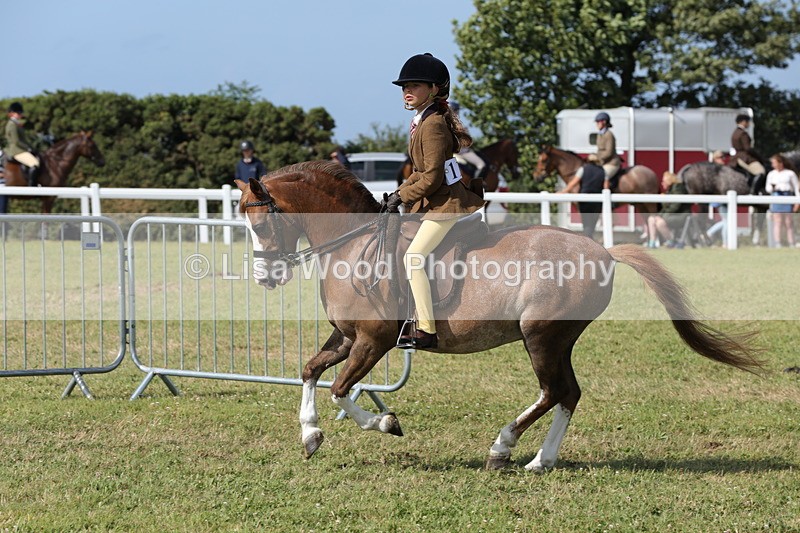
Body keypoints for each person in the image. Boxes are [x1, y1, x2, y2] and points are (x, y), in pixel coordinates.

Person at [382, 52, 484, 349]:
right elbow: (420, 172)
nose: (407, 91)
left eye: (415, 85)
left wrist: (402, 196)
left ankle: (426, 329)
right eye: (404, 86)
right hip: (434, 202)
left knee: (413, 259)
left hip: (445, 205)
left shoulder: (433, 123)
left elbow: (432, 178)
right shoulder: (422, 120)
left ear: (435, 89)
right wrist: (397, 193)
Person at [558, 157, 604, 238]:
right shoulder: (602, 171)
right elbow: (606, 186)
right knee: (592, 224)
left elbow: (573, 183)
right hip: (597, 201)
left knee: (586, 224)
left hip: (584, 200)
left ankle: (587, 241)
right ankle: (590, 239)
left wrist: (561, 192)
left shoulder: (583, 169)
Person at [645, 172, 690, 248]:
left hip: (681, 215)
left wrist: (661, 216)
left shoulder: (678, 188)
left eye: (663, 182)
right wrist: (658, 215)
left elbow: (675, 206)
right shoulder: (670, 190)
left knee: (660, 223)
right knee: (651, 219)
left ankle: (671, 240)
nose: (662, 184)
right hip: (671, 214)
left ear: (669, 181)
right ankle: (652, 242)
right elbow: (666, 208)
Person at [765, 153, 800, 248]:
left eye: (774, 163)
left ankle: (791, 242)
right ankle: (778, 243)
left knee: (789, 221)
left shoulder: (790, 173)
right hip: (776, 196)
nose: (773, 165)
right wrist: (773, 187)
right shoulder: (771, 174)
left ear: (781, 163)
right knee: (778, 221)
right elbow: (768, 188)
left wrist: (797, 201)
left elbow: (796, 188)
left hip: (787, 196)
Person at [4, 102, 40, 187]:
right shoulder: (12, 125)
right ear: (12, 113)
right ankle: (32, 187)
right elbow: (16, 141)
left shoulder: (17, 124)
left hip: (21, 149)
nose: (20, 115)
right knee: (34, 164)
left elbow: (24, 140)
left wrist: (32, 147)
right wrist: (28, 148)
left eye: (20, 113)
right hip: (17, 150)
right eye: (18, 113)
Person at [450, 102, 488, 180]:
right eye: (456, 110)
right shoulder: (457, 124)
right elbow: (464, 142)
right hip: (462, 152)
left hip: (451, 151)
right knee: (481, 165)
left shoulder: (445, 122)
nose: (457, 112)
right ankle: (475, 186)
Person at [728, 114, 765, 193]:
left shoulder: (734, 133)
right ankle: (753, 192)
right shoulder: (743, 133)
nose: (749, 124)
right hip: (744, 157)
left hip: (735, 157)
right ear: (744, 122)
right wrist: (758, 156)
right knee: (761, 171)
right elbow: (748, 148)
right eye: (748, 122)